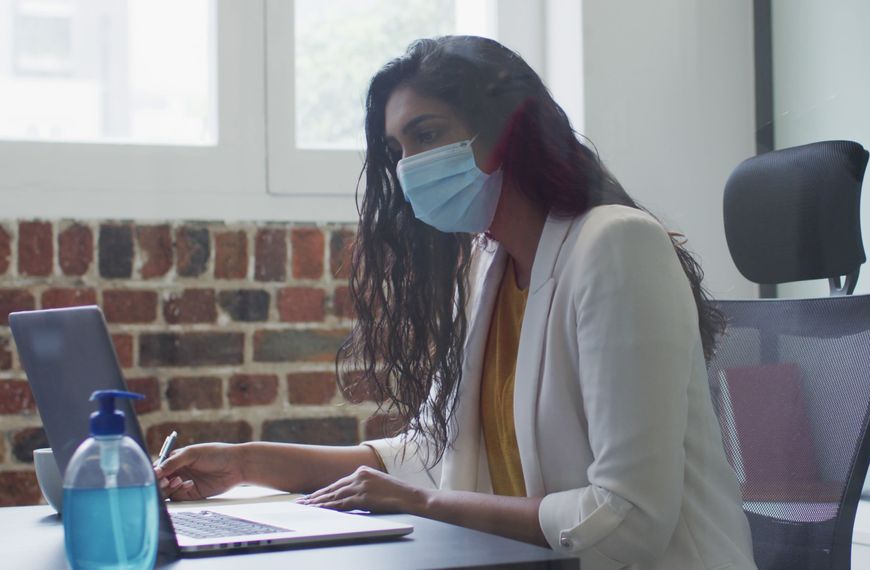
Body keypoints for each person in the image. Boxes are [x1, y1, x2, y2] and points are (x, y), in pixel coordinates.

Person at [156, 35, 756, 570]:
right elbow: (424, 454)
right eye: (398, 149)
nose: (411, 166)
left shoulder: (615, 245)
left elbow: (629, 522)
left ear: (506, 130)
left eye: (427, 134)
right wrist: (246, 464)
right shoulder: (488, 265)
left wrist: (424, 504)